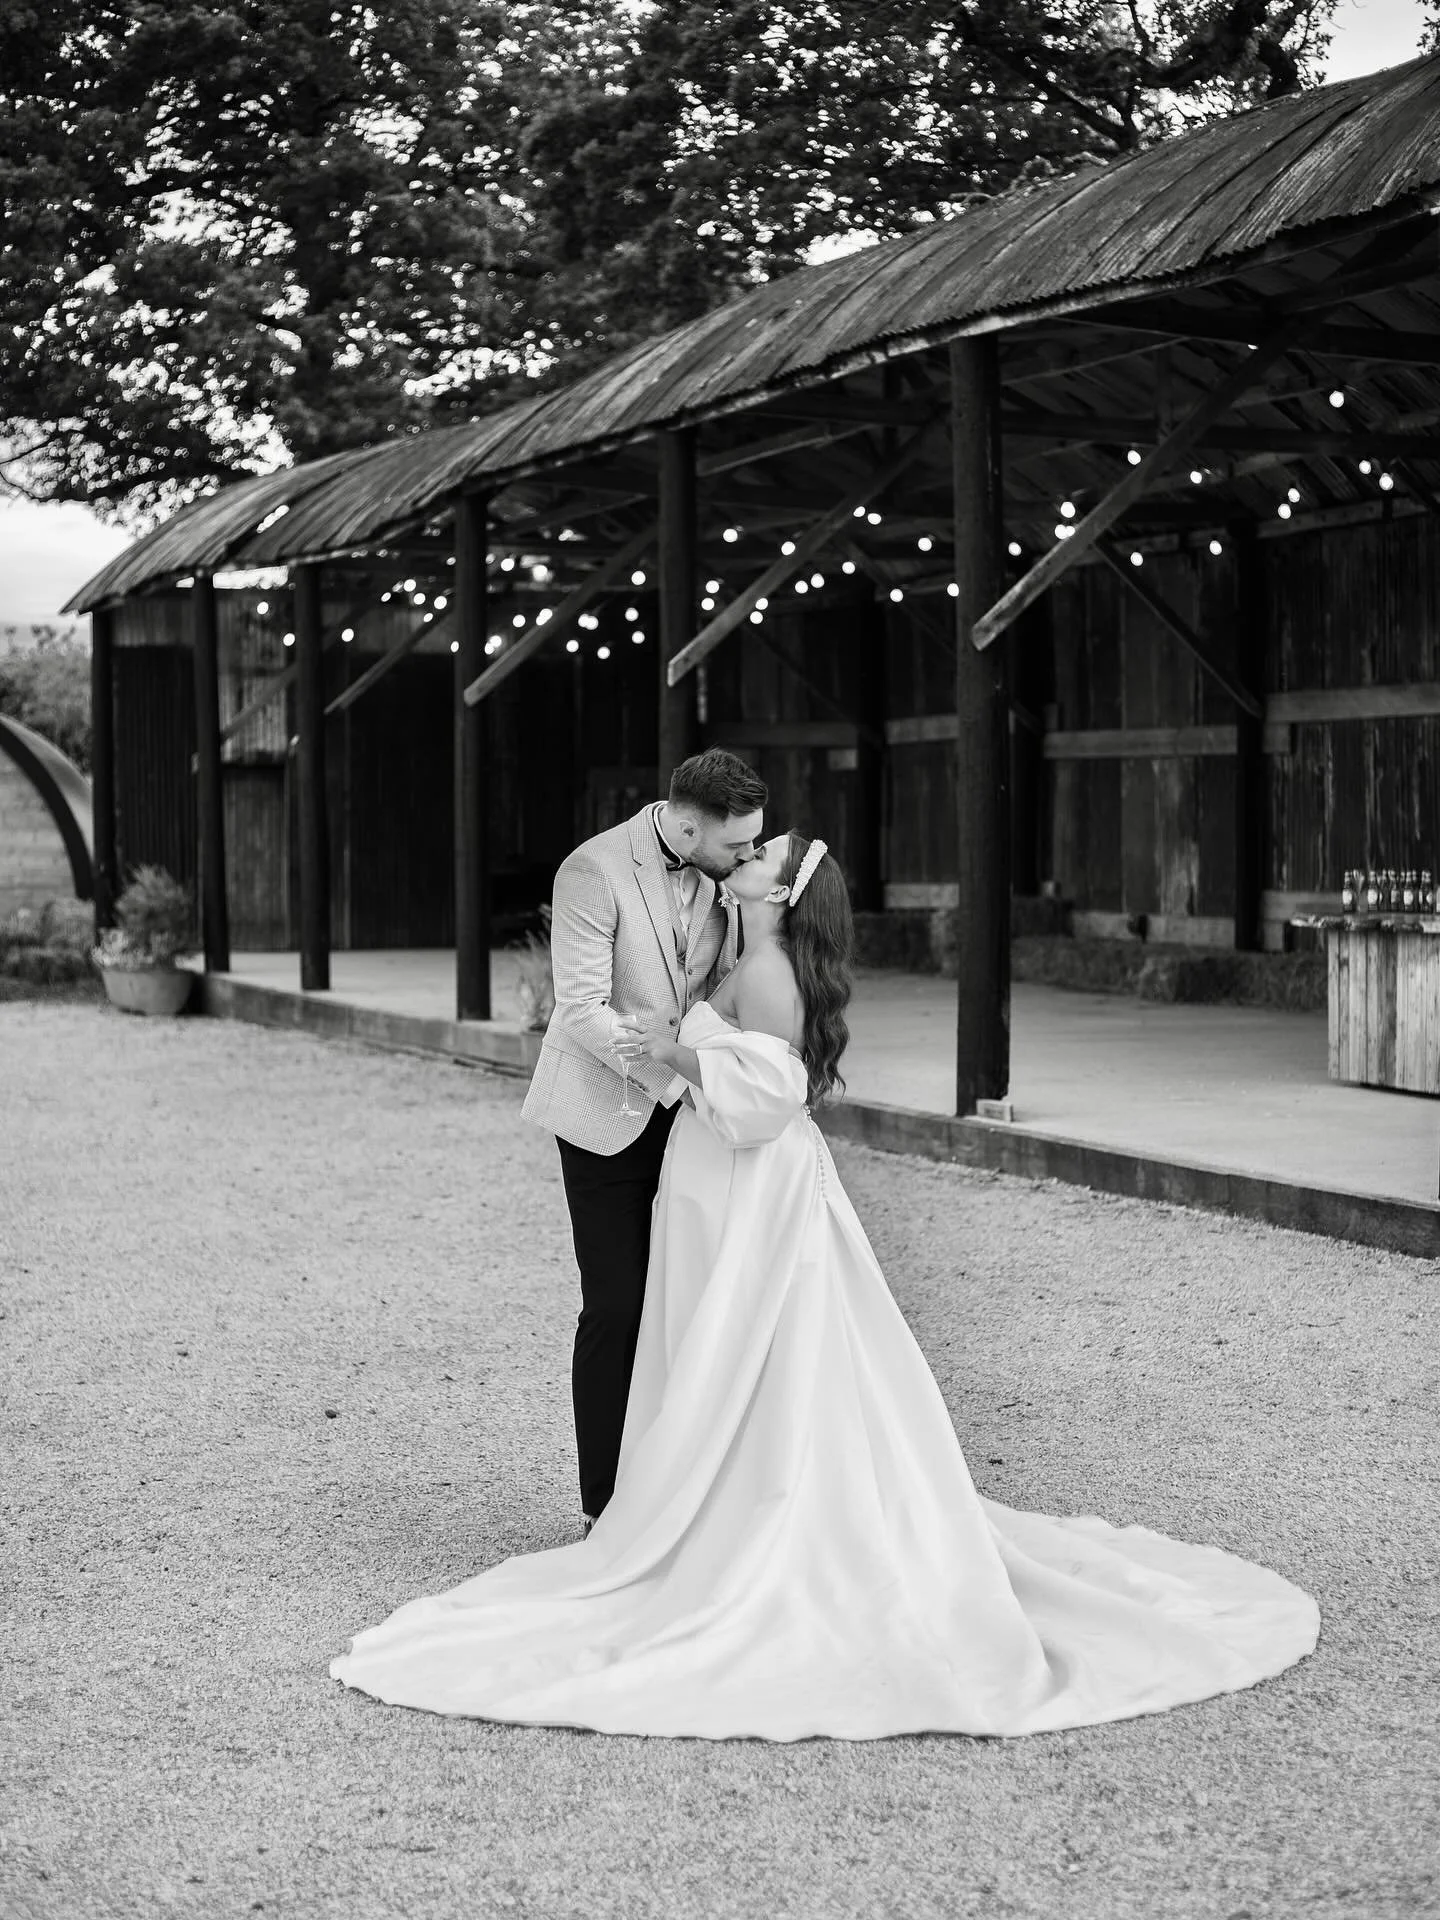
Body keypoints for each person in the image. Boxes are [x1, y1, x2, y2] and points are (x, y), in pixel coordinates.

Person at [331, 832, 1319, 1740]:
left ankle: (742, 1510)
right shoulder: (745, 952)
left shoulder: (766, 973)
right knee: (729, 1342)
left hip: (748, 1183)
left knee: (750, 1341)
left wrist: (673, 1052)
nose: (748, 854)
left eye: (763, 854)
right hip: (719, 1179)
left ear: (782, 891)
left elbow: (771, 1097)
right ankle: (701, 1491)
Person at [518, 747, 767, 1533]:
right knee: (618, 1304)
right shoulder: (591, 871)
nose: (749, 856)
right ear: (689, 828)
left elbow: (723, 987)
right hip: (607, 1115)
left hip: (693, 1119)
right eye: (737, 844)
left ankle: (677, 1489)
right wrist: (678, 1076)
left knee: (689, 1299)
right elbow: (580, 1009)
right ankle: (603, 1507)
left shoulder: (726, 882)